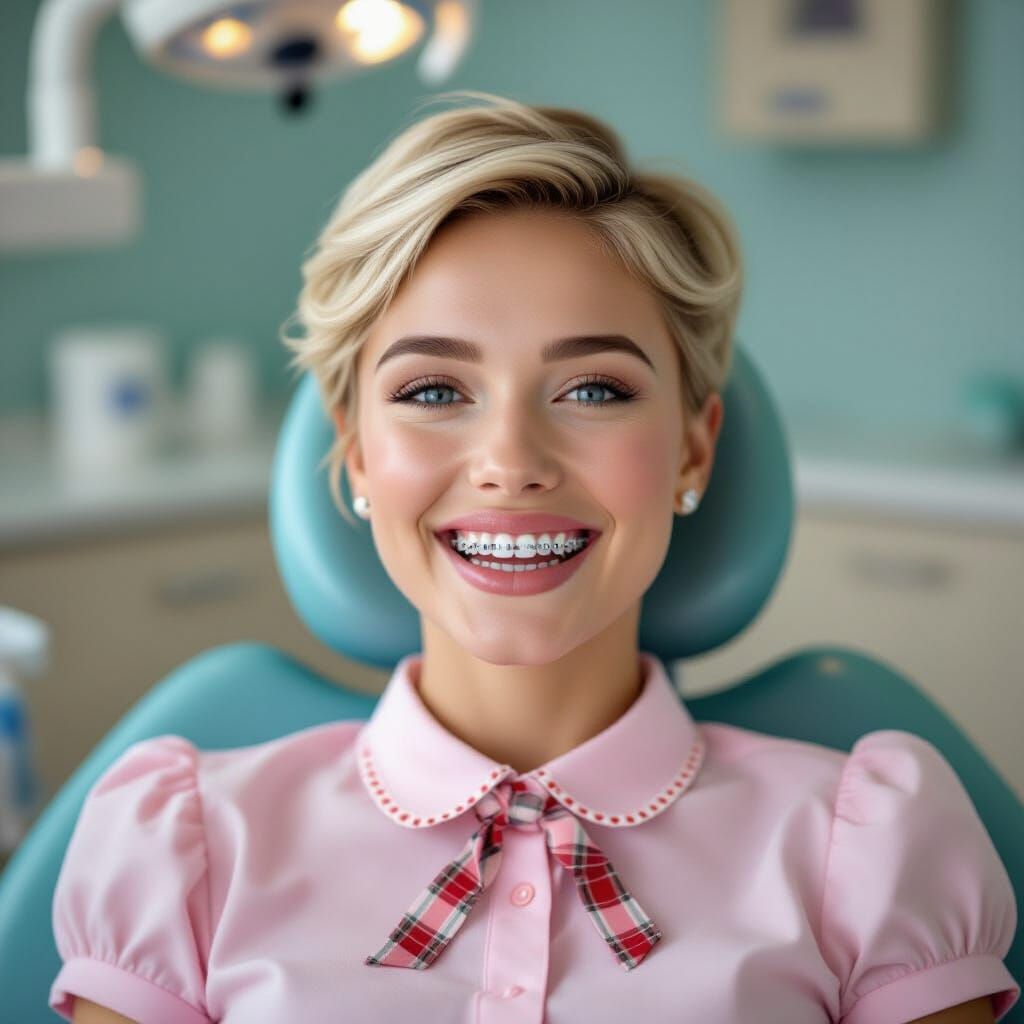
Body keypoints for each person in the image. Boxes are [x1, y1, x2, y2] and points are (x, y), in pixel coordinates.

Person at [50, 91, 1018, 1023]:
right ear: (353, 452)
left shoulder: (870, 851)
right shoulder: (185, 850)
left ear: (692, 447)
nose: (510, 463)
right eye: (433, 390)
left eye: (593, 389)